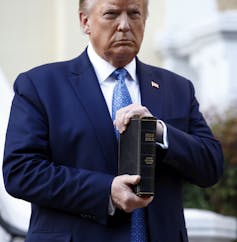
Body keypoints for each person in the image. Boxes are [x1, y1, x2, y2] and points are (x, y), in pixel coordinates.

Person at [2, 0, 223, 241]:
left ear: (145, 19)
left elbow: (211, 165)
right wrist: (105, 191)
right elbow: (21, 172)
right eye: (112, 14)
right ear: (85, 21)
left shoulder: (177, 88)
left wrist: (159, 131)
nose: (125, 25)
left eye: (134, 14)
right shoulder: (41, 85)